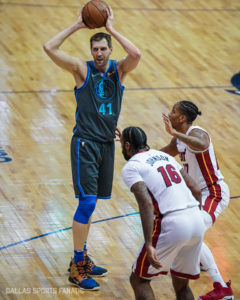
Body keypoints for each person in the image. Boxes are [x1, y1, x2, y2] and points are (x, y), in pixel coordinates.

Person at [43, 6, 141, 291]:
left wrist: (112, 29)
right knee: (86, 203)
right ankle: (76, 266)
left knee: (92, 203)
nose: (98, 53)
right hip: (84, 144)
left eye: (103, 49)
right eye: (95, 49)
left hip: (106, 146)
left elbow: (136, 55)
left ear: (109, 50)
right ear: (91, 50)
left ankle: (82, 257)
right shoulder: (80, 69)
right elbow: (49, 47)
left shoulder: (119, 70)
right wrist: (76, 24)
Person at [118, 126, 205, 300]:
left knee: (139, 280)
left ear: (127, 146)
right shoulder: (165, 157)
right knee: (182, 285)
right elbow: (196, 189)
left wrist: (149, 244)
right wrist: (197, 218)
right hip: (196, 220)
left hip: (172, 223)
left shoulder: (132, 167)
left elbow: (146, 203)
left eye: (122, 145)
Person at [161, 100, 234, 300]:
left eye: (173, 111)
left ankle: (221, 287)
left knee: (191, 232)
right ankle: (201, 259)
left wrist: (175, 134)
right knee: (189, 233)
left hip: (213, 193)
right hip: (197, 195)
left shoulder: (197, 133)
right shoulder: (180, 140)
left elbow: (202, 144)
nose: (170, 113)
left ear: (183, 118)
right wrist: (137, 152)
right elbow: (164, 153)